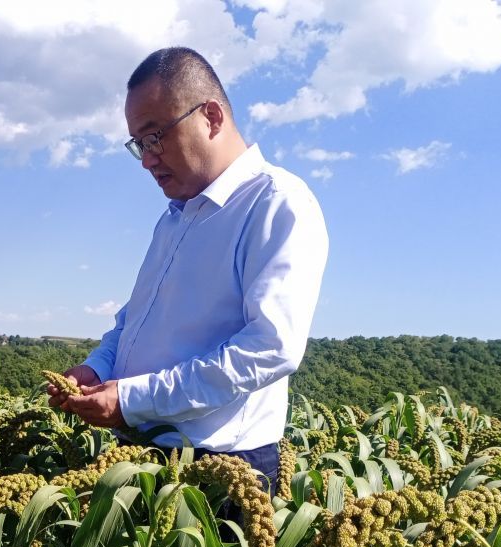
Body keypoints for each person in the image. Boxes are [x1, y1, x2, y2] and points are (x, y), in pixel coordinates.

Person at [51, 47, 328, 493]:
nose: (146, 159)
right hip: (140, 449)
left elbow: (270, 347)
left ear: (212, 117)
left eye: (155, 137)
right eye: (138, 144)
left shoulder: (276, 203)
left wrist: (132, 400)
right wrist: (97, 369)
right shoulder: (176, 216)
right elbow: (134, 321)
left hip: (217, 471)